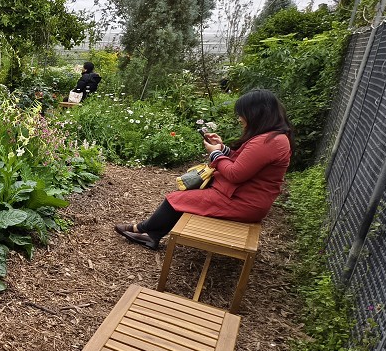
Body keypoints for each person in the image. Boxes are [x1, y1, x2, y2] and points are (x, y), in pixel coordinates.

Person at [115, 88, 293, 250]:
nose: (240, 118)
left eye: (242, 114)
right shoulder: (272, 138)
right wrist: (221, 148)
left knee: (176, 199)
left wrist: (215, 154)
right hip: (240, 196)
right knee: (183, 197)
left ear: (256, 114)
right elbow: (245, 161)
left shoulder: (270, 141)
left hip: (243, 202)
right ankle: (149, 232)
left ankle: (147, 232)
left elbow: (235, 173)